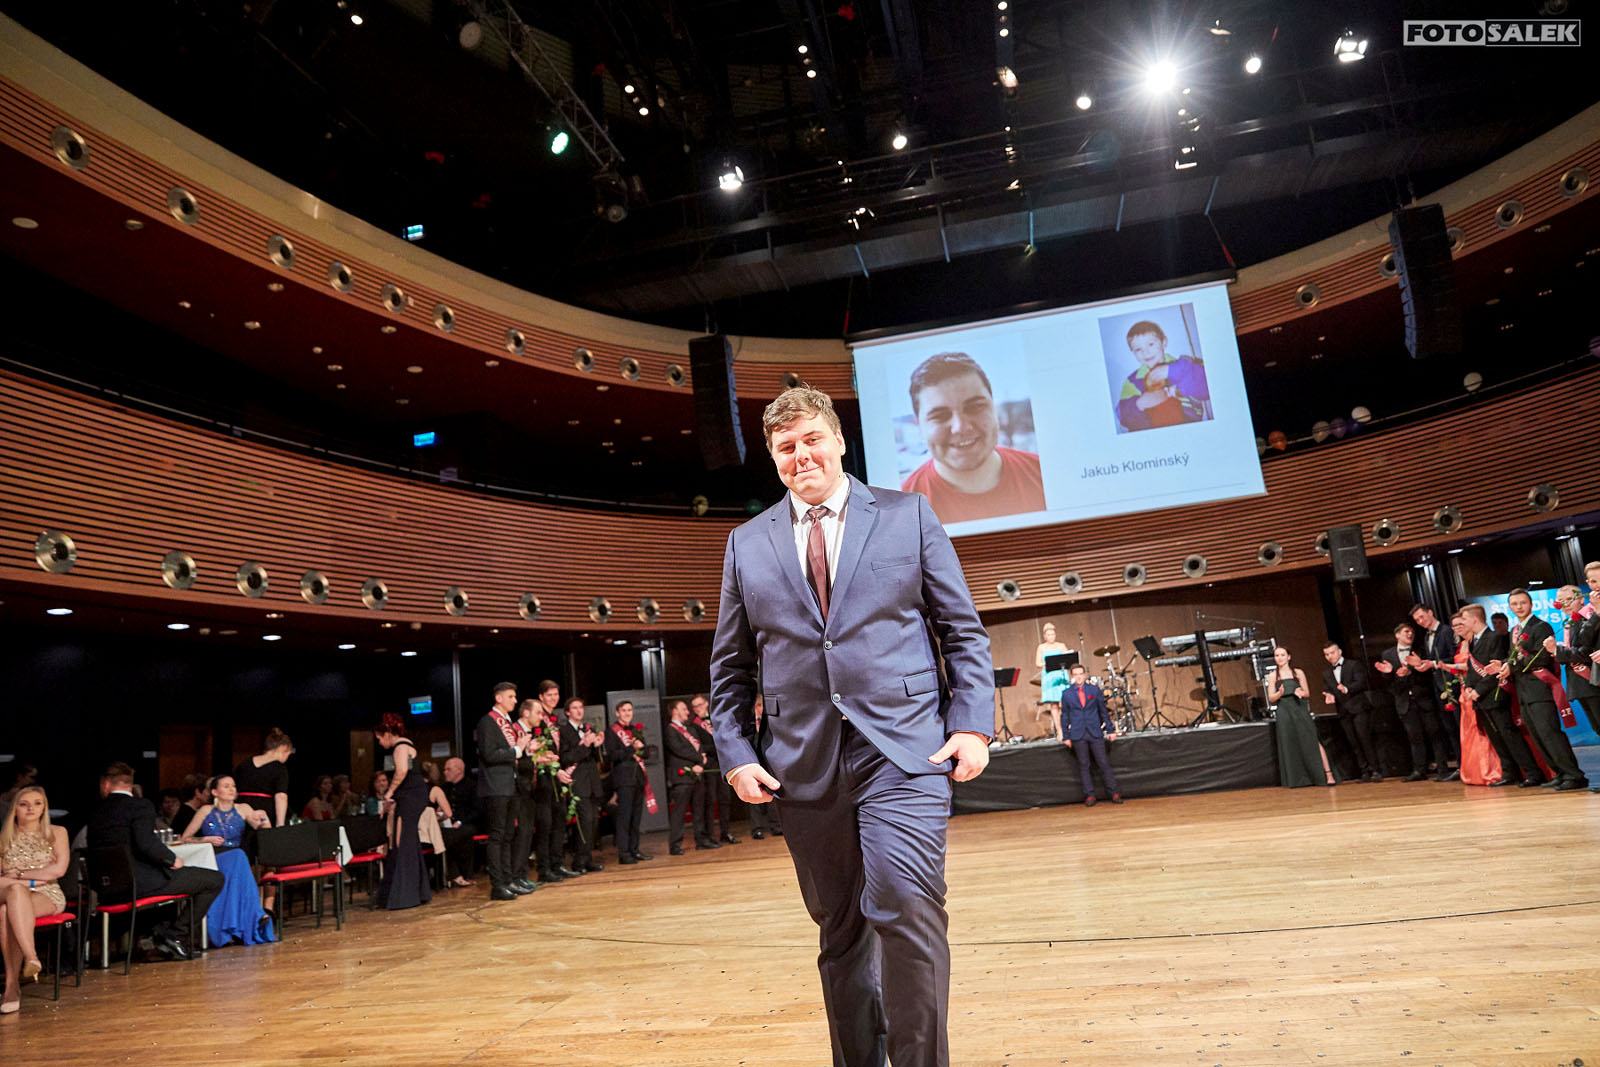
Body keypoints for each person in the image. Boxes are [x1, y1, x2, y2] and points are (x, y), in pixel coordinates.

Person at [710, 384, 994, 1067]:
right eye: (786, 447)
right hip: (802, 765)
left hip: (905, 751)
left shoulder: (907, 514)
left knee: (905, 906)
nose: (801, 455)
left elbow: (962, 631)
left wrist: (972, 723)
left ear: (838, 441)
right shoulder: (745, 543)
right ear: (774, 458)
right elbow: (730, 666)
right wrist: (736, 752)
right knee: (840, 931)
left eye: (812, 439)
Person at [86, 761, 223, 960]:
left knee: (167, 877)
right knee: (214, 879)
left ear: (106, 784)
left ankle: (160, 936)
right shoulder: (139, 806)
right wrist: (171, 859)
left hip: (106, 887)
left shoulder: (96, 811)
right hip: (139, 884)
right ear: (130, 785)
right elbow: (146, 843)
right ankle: (176, 936)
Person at [898, 352, 1045, 524]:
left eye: (975, 407)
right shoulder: (902, 510)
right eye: (940, 416)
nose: (960, 427)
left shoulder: (1044, 473)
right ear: (919, 425)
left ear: (994, 408)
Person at [176, 775, 274, 946]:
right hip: (213, 856)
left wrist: (264, 817)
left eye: (233, 786)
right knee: (239, 857)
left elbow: (264, 830)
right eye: (226, 786)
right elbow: (185, 838)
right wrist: (205, 839)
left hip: (235, 857)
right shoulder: (206, 810)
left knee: (239, 857)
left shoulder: (243, 808)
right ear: (215, 792)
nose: (231, 789)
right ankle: (257, 914)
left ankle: (250, 918)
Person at [1504, 588, 1587, 790]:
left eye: (1523, 603)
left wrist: (1513, 665)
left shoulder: (1541, 627)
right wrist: (1504, 665)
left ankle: (1574, 775)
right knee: (1538, 736)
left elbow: (1541, 658)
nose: (1519, 607)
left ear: (1531, 604)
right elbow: (1512, 658)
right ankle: (1559, 773)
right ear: (1510, 607)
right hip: (1523, 691)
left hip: (1540, 689)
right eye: (1514, 604)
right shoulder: (1514, 631)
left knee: (1550, 733)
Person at [0, 785, 68, 1013]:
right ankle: (31, 956)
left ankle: (11, 988)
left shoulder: (57, 832)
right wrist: (29, 882)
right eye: (24, 804)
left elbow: (58, 870)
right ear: (14, 809)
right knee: (14, 893)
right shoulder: (3, 837)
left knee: (5, 911)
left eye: (37, 803)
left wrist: (20, 875)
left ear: (44, 808)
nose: (31, 809)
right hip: (10, 890)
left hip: (46, 893)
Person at [1461, 604, 1544, 787]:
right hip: (1481, 699)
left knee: (1510, 736)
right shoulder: (1474, 640)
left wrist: (1478, 690)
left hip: (1494, 695)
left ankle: (1532, 772)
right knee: (1496, 738)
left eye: (1464, 619)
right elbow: (1472, 669)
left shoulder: (1495, 638)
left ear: (1474, 619)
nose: (1462, 623)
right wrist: (1468, 687)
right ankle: (1510, 772)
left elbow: (1495, 668)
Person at [1374, 623, 1456, 781]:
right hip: (1405, 702)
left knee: (1435, 735)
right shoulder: (1388, 654)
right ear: (1397, 635)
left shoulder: (1421, 650)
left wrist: (1412, 669)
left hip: (1424, 699)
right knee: (1414, 738)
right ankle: (1419, 771)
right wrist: (1390, 673)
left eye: (1411, 632)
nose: (1410, 634)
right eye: (1406, 632)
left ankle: (1443, 770)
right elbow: (1387, 682)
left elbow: (1429, 674)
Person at [477, 682, 535, 900]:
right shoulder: (488, 722)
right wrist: (517, 750)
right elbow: (489, 754)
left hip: (510, 785)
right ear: (498, 698)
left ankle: (509, 880)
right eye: (510, 696)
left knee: (508, 836)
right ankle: (498, 885)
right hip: (496, 786)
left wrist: (524, 750)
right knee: (497, 836)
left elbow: (512, 753)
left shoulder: (507, 722)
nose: (515, 700)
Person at [373, 714, 431, 910]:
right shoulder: (406, 745)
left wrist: (389, 793)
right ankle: (416, 892)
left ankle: (405, 895)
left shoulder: (400, 746)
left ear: (388, 733)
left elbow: (402, 771)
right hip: (412, 796)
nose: (379, 743)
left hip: (410, 797)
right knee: (407, 841)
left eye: (380, 738)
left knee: (402, 842)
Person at [1439, 611, 1503, 786]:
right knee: (1470, 732)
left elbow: (1472, 666)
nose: (1459, 627)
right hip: (1466, 691)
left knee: (1482, 731)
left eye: (1461, 623)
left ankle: (1490, 770)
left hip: (1479, 689)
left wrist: (1446, 666)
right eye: (1455, 625)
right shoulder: (1463, 644)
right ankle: (1474, 771)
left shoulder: (1478, 641)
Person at [1115, 320, 1210, 433]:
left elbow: (1208, 387)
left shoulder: (1184, 366)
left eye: (1151, 344)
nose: (1146, 352)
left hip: (1187, 427)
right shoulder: (1133, 381)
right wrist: (1138, 404)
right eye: (1138, 349)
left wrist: (1171, 371)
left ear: (1164, 342)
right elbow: (1121, 415)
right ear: (1133, 353)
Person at [1266, 646, 1335, 787]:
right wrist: (1279, 693)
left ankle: (1327, 774)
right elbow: (1271, 698)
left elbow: (1307, 693)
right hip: (1284, 711)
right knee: (1290, 743)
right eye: (1277, 655)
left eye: (1282, 655)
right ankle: (1297, 779)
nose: (1279, 658)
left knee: (1312, 740)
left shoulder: (1298, 672)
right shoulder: (1273, 675)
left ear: (1289, 657)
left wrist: (1300, 693)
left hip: (1299, 708)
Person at [1406, 603, 1463, 774]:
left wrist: (1433, 663)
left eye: (1422, 617)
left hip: (1452, 684)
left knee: (1459, 727)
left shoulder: (1446, 631)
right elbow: (1433, 662)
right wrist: (1422, 664)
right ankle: (1461, 765)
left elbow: (1456, 657)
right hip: (1439, 687)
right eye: (1417, 620)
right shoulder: (1426, 637)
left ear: (1430, 612)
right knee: (1450, 729)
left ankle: (1466, 765)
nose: (1420, 621)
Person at [1059, 664, 1122, 805]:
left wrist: (1110, 730)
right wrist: (1066, 736)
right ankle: (1089, 795)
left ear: (1085, 675)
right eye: (1075, 674)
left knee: (1103, 762)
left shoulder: (1094, 690)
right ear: (1072, 676)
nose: (1078, 677)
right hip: (1078, 733)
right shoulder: (1067, 694)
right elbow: (1065, 716)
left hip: (1094, 731)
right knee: (1084, 764)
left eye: (1080, 674)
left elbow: (1103, 711)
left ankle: (1114, 793)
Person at [1546, 582, 1600, 736]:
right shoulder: (1572, 621)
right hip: (1581, 684)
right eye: (1561, 601)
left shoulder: (1590, 617)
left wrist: (1557, 650)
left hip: (1592, 681)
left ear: (1581, 599)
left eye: (1569, 599)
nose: (1565, 604)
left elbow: (1585, 652)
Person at [557, 698, 605, 873]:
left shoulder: (588, 728)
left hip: (592, 781)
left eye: (581, 707)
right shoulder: (564, 731)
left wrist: (597, 746)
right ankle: (579, 861)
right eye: (574, 708)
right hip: (577, 782)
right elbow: (566, 758)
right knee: (585, 821)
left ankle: (587, 859)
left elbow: (597, 758)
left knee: (593, 823)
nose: (579, 711)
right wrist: (584, 745)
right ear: (567, 712)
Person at [1321, 642, 1380, 781]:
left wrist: (1347, 689)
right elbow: (1328, 688)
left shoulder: (1353, 665)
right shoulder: (1327, 673)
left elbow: (1361, 682)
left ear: (1339, 651)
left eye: (1332, 653)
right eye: (1327, 654)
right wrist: (1329, 695)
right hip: (1344, 711)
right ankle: (1364, 771)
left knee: (1364, 739)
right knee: (1354, 742)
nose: (1330, 656)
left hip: (1359, 708)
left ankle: (1376, 770)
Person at [603, 700, 652, 864]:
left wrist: (641, 748)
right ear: (617, 713)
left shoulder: (635, 730)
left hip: (638, 778)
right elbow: (612, 755)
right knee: (624, 818)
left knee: (636, 818)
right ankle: (624, 853)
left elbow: (646, 753)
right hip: (623, 779)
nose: (627, 713)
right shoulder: (611, 731)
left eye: (629, 710)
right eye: (623, 710)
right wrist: (632, 748)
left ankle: (634, 850)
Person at [690, 693, 737, 845]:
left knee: (725, 799)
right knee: (710, 801)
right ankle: (710, 835)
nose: (697, 708)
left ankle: (725, 832)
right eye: (694, 707)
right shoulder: (693, 725)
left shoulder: (716, 719)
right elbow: (700, 746)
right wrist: (717, 748)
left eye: (699, 705)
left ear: (706, 703)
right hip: (709, 766)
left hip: (723, 764)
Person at [663, 698, 706, 855]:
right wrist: (699, 758)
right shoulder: (670, 730)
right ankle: (675, 845)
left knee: (699, 811)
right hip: (681, 778)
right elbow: (679, 749)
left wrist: (700, 764)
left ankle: (701, 841)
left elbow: (699, 747)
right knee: (679, 813)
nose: (688, 712)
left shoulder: (691, 729)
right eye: (683, 709)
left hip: (696, 774)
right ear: (675, 711)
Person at [232, 729, 292, 827]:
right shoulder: (279, 768)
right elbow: (280, 796)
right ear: (283, 747)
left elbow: (234, 791)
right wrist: (280, 824)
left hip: (241, 811)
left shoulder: (244, 764)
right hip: (265, 813)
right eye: (288, 753)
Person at [436, 757, 481, 887]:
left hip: (468, 823)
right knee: (443, 836)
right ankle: (454, 874)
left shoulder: (473, 786)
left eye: (448, 769)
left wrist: (460, 822)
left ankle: (462, 874)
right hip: (448, 825)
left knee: (460, 835)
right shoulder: (444, 788)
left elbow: (477, 811)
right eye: (444, 769)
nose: (445, 772)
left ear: (459, 770)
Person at [746, 695, 782, 840]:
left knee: (772, 795)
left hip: (770, 764)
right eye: (759, 705)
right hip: (754, 764)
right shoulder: (749, 723)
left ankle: (776, 826)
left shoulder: (769, 722)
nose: (762, 709)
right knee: (754, 798)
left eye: (763, 706)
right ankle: (757, 829)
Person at [1035, 623, 1070, 740]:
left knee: (1065, 703)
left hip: (1061, 675)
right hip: (1050, 676)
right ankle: (1059, 731)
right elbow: (1038, 663)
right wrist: (1049, 663)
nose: (1051, 637)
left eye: (1053, 634)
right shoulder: (1041, 647)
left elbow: (1068, 658)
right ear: (1045, 636)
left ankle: (1068, 728)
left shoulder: (1061, 645)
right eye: (1049, 635)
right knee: (1054, 705)